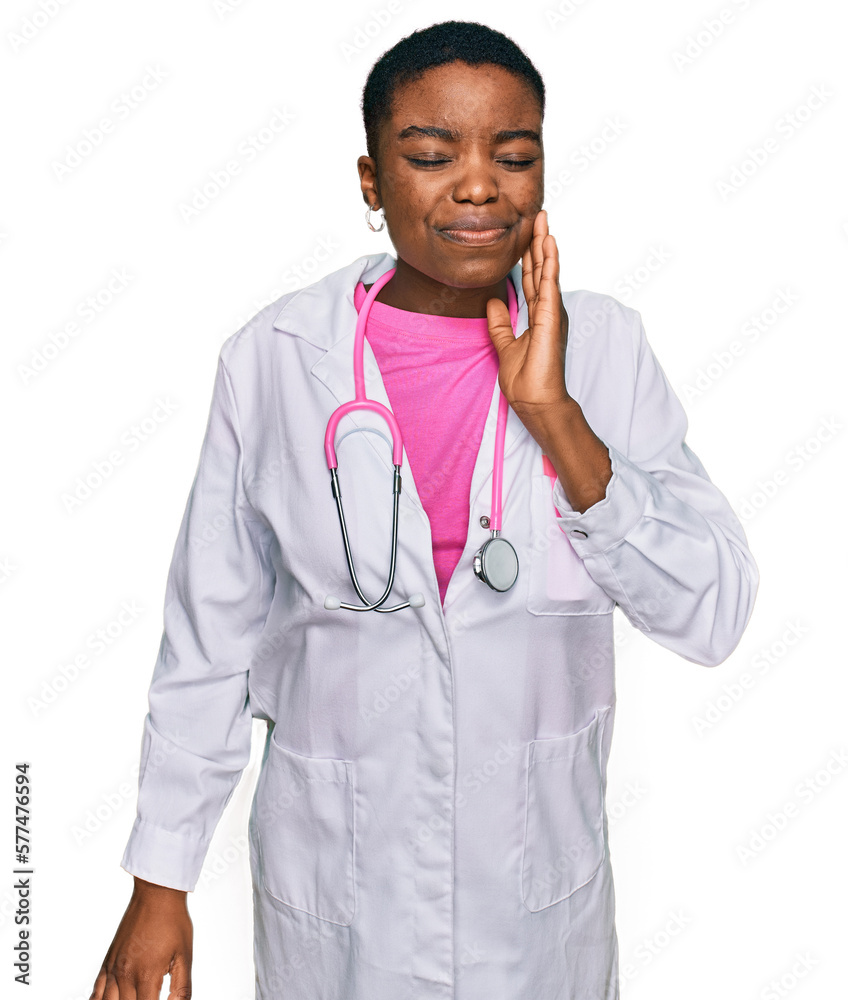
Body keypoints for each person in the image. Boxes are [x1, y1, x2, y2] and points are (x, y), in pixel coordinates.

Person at [91, 19, 759, 1000]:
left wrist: (555, 417)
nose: (479, 184)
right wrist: (161, 882)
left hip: (535, 911)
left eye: (514, 154)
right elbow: (208, 640)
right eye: (431, 155)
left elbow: (712, 613)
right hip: (342, 895)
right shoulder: (277, 360)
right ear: (371, 181)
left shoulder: (605, 350)